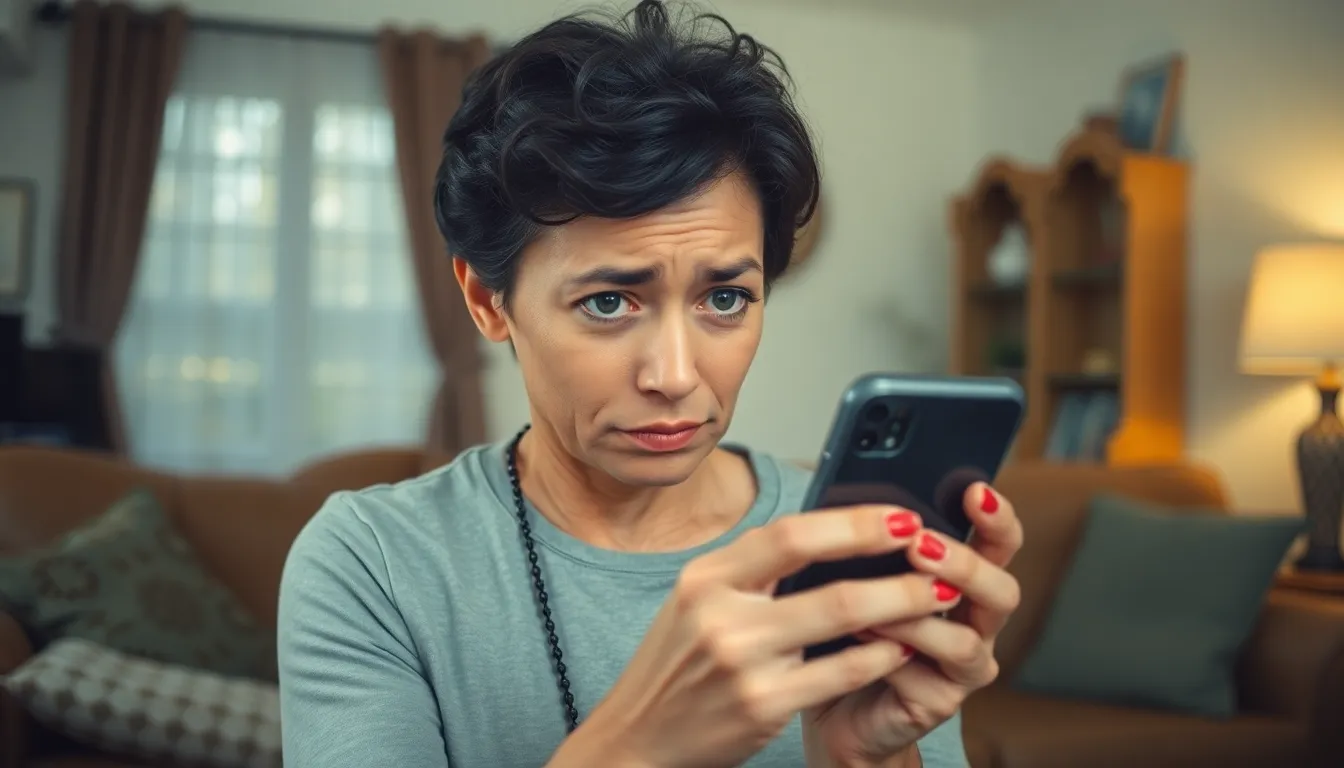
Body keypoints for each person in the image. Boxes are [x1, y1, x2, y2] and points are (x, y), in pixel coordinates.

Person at [276, 2, 1023, 766]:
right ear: (486, 301)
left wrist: (866, 756)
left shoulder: (849, 543)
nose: (675, 376)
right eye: (609, 303)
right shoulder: (374, 563)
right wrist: (638, 745)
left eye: (724, 298)